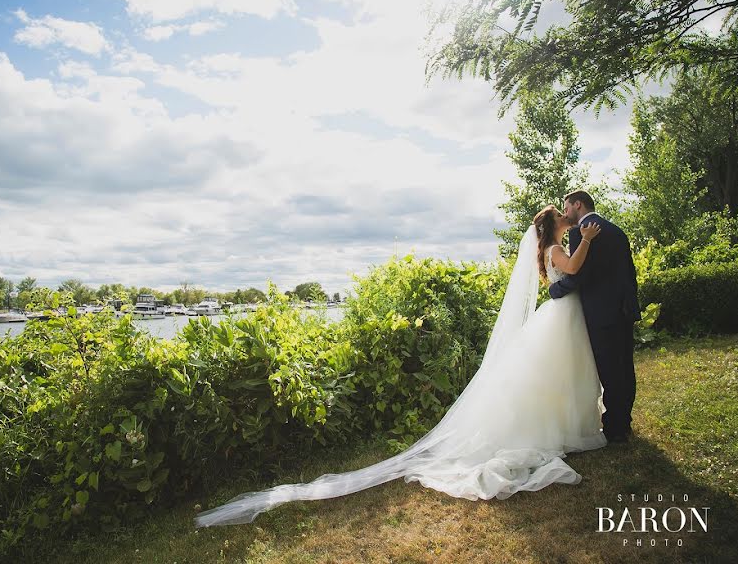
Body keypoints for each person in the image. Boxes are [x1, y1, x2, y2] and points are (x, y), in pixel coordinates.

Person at [195, 206, 607, 528]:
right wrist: (586, 240)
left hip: (560, 315)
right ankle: (561, 428)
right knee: (556, 374)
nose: (568, 224)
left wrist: (582, 242)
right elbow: (571, 268)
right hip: (559, 317)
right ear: (552, 228)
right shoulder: (558, 249)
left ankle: (568, 424)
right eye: (563, 221)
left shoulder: (551, 247)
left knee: (558, 376)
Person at [548, 190, 640, 443]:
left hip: (601, 312)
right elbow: (629, 273)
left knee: (609, 371)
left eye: (567, 207)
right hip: (623, 309)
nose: (565, 213)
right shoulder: (616, 230)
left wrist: (555, 289)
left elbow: (579, 275)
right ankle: (624, 422)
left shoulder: (582, 232)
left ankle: (615, 429)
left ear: (577, 204)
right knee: (624, 367)